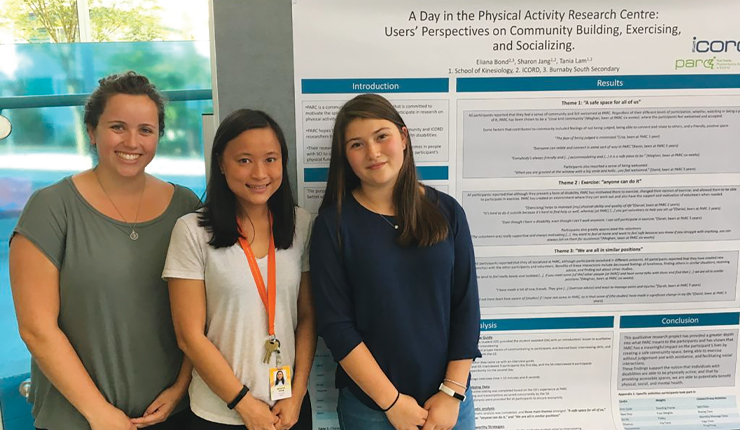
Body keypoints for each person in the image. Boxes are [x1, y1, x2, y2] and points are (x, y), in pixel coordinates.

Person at [9, 71, 200, 430]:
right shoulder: (51, 207)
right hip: (78, 420)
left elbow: (201, 315)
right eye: (117, 127)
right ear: (92, 131)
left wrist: (180, 387)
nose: (132, 141)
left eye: (146, 129)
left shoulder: (185, 207)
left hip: (172, 414)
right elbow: (37, 328)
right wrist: (99, 414)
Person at [310, 94, 481, 430]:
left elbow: (466, 307)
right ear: (345, 156)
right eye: (357, 144)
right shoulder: (333, 226)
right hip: (371, 410)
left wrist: (452, 393)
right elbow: (337, 327)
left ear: (403, 137)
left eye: (381, 136)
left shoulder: (446, 212)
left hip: (449, 405)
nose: (373, 152)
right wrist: (391, 402)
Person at [163, 109, 316, 430]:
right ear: (221, 163)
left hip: (288, 410)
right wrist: (244, 404)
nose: (260, 173)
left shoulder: (300, 224)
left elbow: (307, 318)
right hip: (220, 413)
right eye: (244, 160)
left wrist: (297, 393)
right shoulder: (192, 231)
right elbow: (189, 336)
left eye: (271, 159)